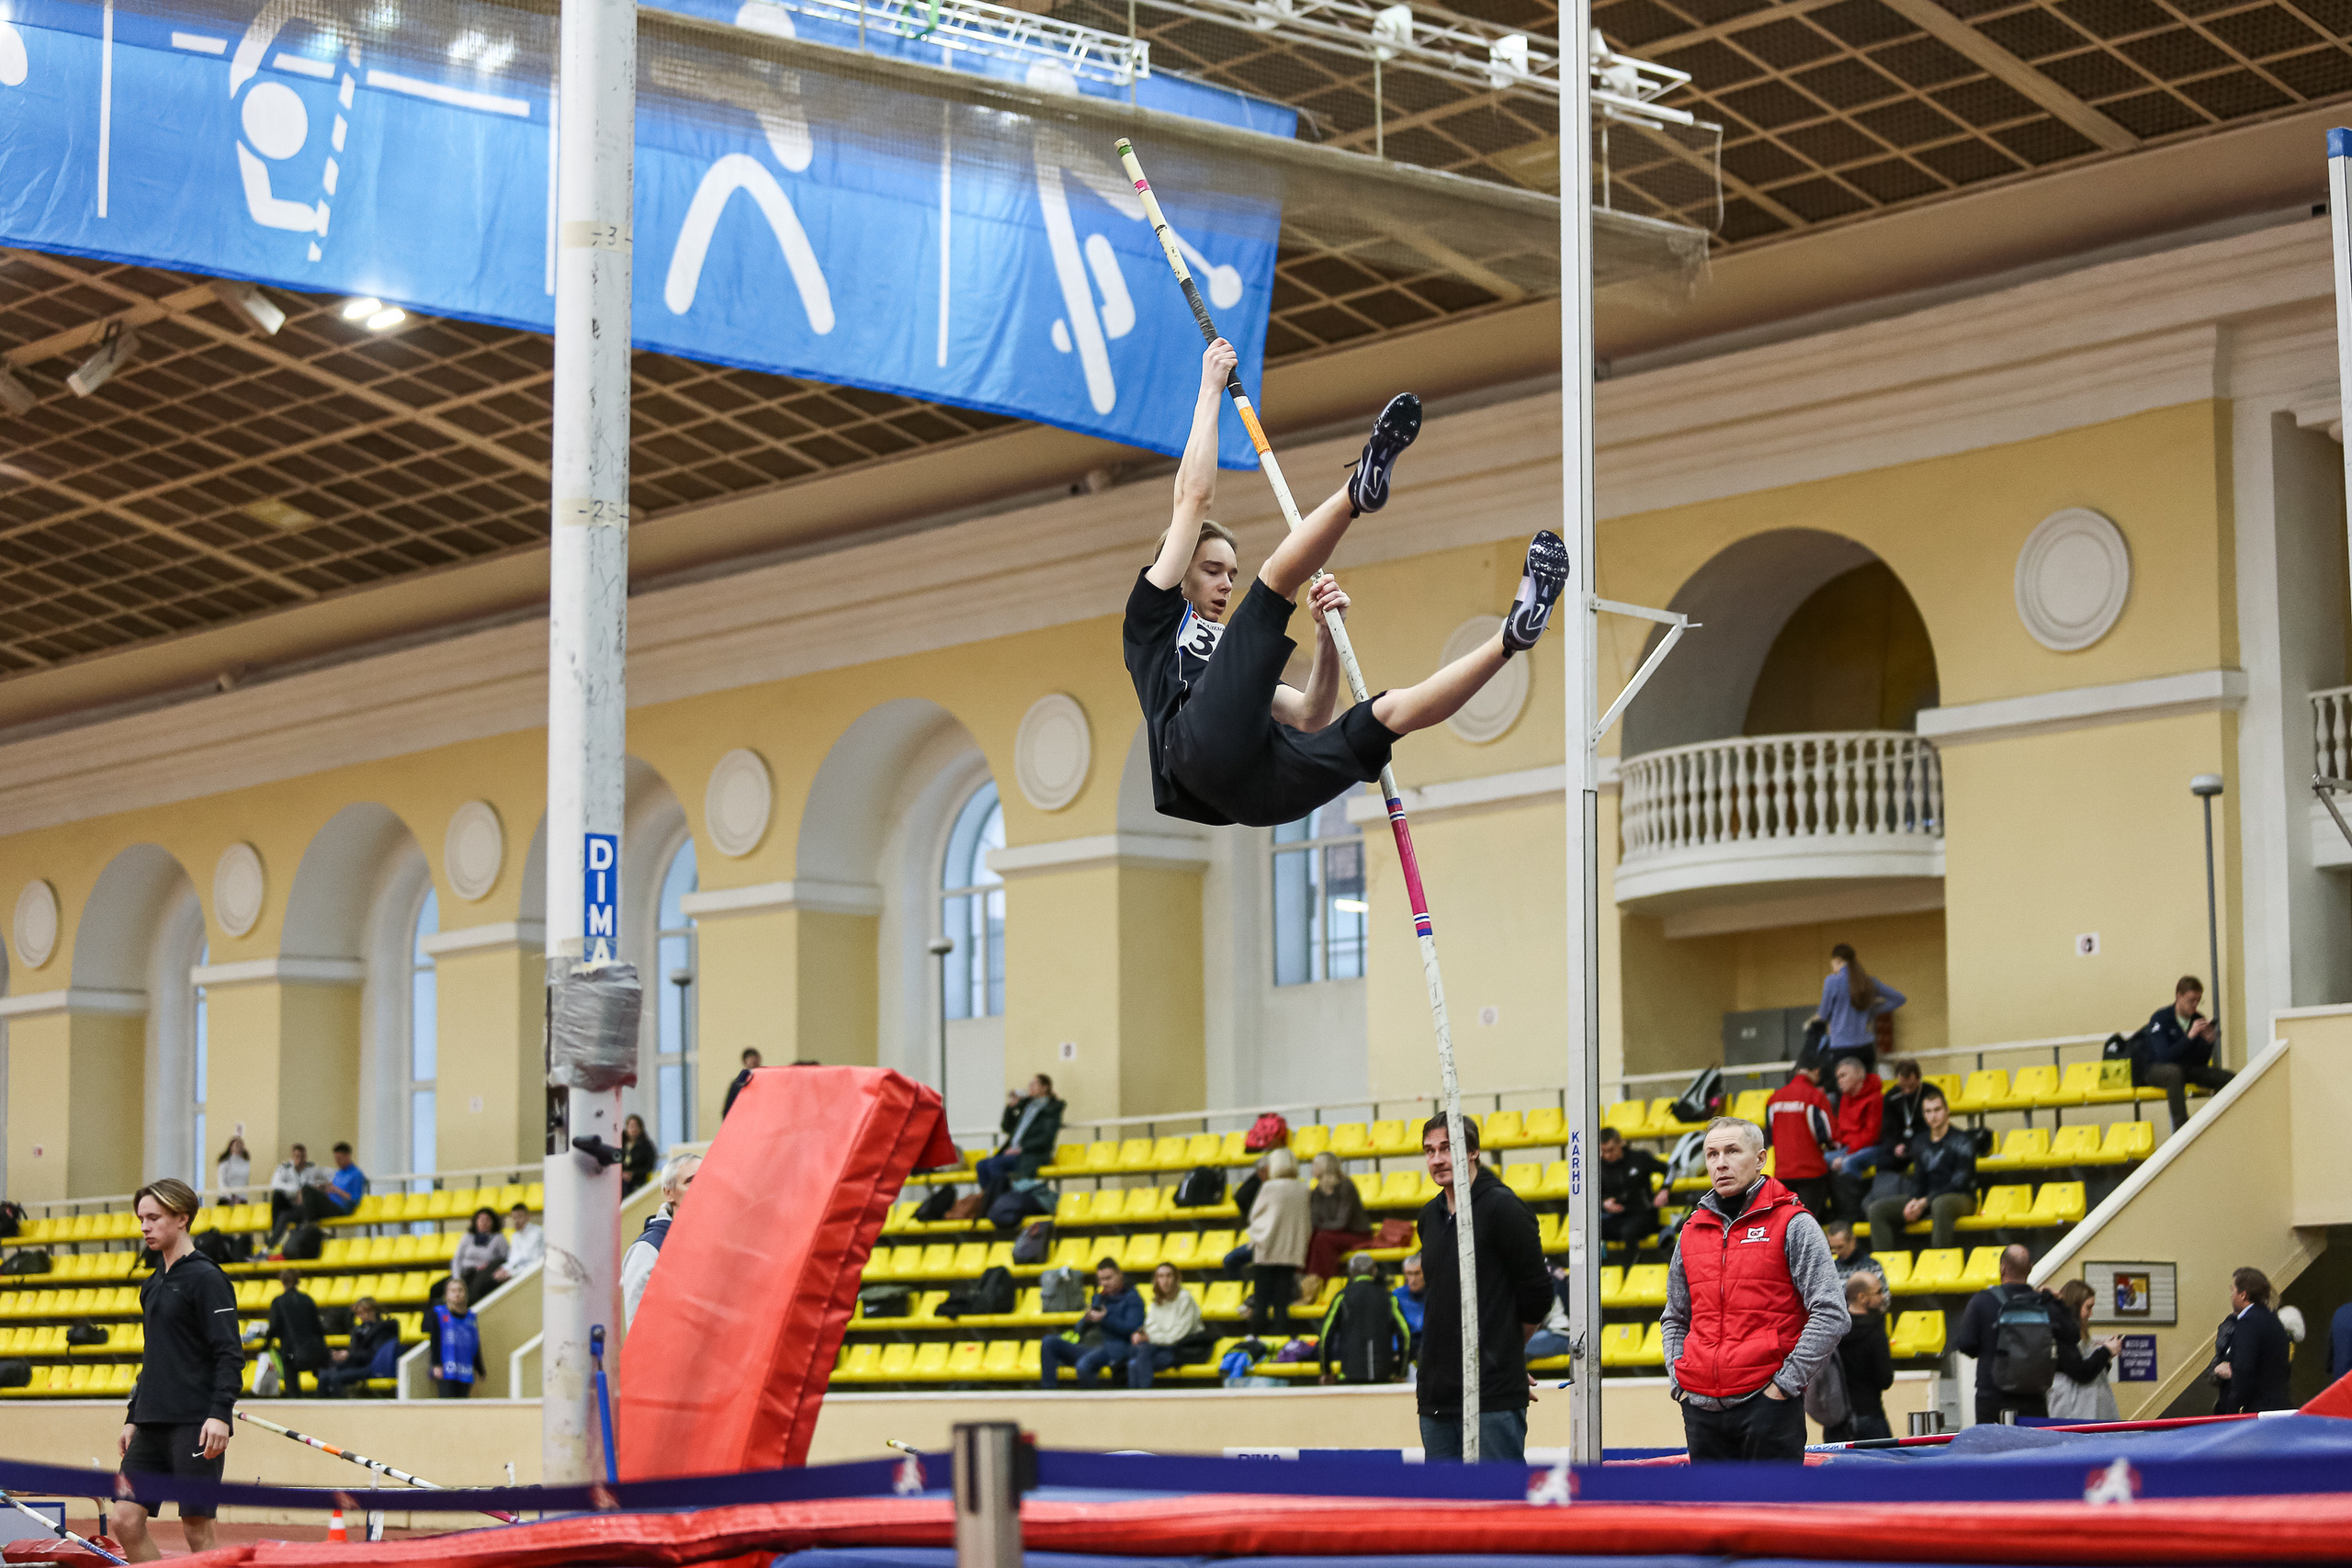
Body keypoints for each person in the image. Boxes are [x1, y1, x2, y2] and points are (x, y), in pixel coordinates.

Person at [1124, 338, 1568, 832]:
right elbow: (1193, 498)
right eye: (1211, 570)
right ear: (1179, 567)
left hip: (1260, 793)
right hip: (1194, 753)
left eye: (1231, 573)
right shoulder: (1153, 619)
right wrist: (1210, 389)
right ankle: (1357, 493)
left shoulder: (1234, 657)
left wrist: (1325, 639)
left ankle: (1513, 635)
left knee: (1386, 713)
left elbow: (1312, 716)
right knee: (1274, 581)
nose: (1226, 584)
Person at [1660, 1118, 1845, 1463]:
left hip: (1768, 1406)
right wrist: (1681, 1382)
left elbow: (1832, 1313)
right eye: (1712, 1154)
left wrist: (1783, 1387)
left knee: (1773, 1516)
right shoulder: (1691, 1231)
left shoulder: (1794, 1223)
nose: (1720, 1163)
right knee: (1713, 1518)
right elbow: (1675, 1317)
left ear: (1760, 1158)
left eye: (1732, 1151)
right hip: (1700, 1408)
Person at [115, 1179, 242, 1562]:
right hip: (151, 1424)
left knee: (197, 1530)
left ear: (182, 1218)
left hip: (195, 1423)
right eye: (141, 1218)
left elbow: (230, 1353)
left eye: (154, 1217)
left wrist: (220, 1414)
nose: (144, 1226)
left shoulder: (207, 1279)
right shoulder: (152, 1284)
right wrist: (133, 1417)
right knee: (124, 1520)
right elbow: (152, 1358)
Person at [1413, 1112, 1551, 1463]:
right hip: (1437, 1395)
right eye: (1430, 1151)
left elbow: (1537, 1296)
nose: (1438, 1159)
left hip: (1492, 1393)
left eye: (1448, 1148)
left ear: (1472, 1151)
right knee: (1443, 1511)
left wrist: (1504, 1352)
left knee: (1497, 1508)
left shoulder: (1503, 1208)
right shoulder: (1429, 1217)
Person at [1951, 1245, 2054, 1425]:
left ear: (2002, 1268)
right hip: (2034, 1395)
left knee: (1992, 1451)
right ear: (2030, 1268)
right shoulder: (2044, 1302)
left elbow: (1965, 1343)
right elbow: (2069, 1336)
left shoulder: (1982, 1300)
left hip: (1992, 1394)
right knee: (2036, 1450)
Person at [1864, 1085, 1974, 1251]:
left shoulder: (1963, 1140)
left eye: (1937, 1110)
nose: (1933, 1116)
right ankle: (1885, 1268)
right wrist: (1914, 1201)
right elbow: (1919, 1180)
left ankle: (1938, 1261)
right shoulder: (1920, 1142)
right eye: (1928, 1112)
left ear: (1947, 1111)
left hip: (1961, 1197)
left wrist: (1925, 1201)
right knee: (1877, 1210)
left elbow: (1960, 1182)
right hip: (1928, 1199)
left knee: (1940, 1204)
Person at [2141, 976, 2233, 1133]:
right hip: (2156, 1068)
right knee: (2174, 1073)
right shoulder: (2161, 1019)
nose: (2195, 1005)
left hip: (2186, 1067)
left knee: (2228, 1078)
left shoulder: (2198, 1019)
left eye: (2198, 1001)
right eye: (2191, 1000)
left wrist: (2207, 1042)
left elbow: (2200, 1062)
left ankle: (2219, 1123)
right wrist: (2189, 1036)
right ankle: (2182, 1129)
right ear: (2179, 996)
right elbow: (2164, 1055)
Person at [623, 1152, 701, 1327]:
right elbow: (639, 1327)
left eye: (706, 1178)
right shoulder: (649, 1248)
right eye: (690, 1181)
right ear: (669, 1193)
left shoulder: (715, 1241)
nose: (701, 1185)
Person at [1039, 1259, 1146, 1387]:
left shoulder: (1133, 1298)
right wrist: (1086, 1319)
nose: (1104, 1283)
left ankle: (1091, 1405)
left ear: (1119, 1275)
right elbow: (1078, 1330)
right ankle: (1049, 1394)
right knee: (1049, 1342)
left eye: (1108, 1278)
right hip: (1088, 1346)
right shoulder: (1099, 1298)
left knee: (1083, 1365)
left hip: (1113, 1348)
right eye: (1101, 1279)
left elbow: (1133, 1328)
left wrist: (1105, 1319)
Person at [1246, 1147, 1310, 1337]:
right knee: (1283, 1300)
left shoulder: (1269, 1187)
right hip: (1291, 1249)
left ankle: (1258, 1337)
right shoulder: (1303, 1188)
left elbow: (1255, 1215)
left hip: (1267, 1247)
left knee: (1262, 1299)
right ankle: (1280, 1337)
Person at [2212, 1266, 2295, 1413]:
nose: (2231, 1296)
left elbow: (2245, 1368)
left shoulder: (2248, 1323)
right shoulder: (2272, 1320)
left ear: (2243, 1295)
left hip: (2257, 1408)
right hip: (2277, 1404)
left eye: (2233, 1291)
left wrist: (2232, 1409)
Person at [1813, 943, 1904, 1075]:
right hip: (1866, 1046)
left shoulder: (1832, 981)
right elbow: (1899, 998)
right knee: (1867, 1088)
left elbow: (1823, 1014)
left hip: (1841, 1048)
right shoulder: (1868, 981)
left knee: (1846, 1090)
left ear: (1837, 960)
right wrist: (1873, 1010)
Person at [1826, 1270, 1894, 1443]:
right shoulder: (1875, 1332)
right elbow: (1885, 1379)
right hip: (1870, 1414)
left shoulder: (1833, 1330)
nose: (1882, 1297)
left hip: (1836, 1419)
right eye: (1878, 1292)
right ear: (1862, 1297)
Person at [1764, 1059, 1834, 1222]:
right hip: (1812, 1171)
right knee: (1808, 1223)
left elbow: (1769, 1135)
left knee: (1788, 1222)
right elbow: (1827, 1135)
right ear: (1816, 1071)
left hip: (1783, 1172)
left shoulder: (1774, 1098)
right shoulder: (1815, 1097)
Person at [977, 1075, 1064, 1199]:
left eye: (1034, 1085)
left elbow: (1045, 1138)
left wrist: (1021, 1148)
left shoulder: (1050, 1109)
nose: (1030, 1088)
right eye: (1030, 1084)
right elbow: (1006, 1127)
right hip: (1014, 1152)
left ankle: (1001, 1200)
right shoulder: (1026, 1105)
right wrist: (1011, 1107)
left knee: (995, 1165)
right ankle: (989, 1198)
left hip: (1031, 1154)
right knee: (981, 1165)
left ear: (1045, 1087)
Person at [2048, 1278, 2122, 1423]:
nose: (2091, 1314)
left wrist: (2105, 1357)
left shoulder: (2078, 1332)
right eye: (2088, 1307)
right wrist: (2105, 1351)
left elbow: (2091, 1369)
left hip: (2088, 1408)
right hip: (2072, 1411)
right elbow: (2081, 1372)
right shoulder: (2061, 1333)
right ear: (2075, 1306)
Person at [1126, 1262, 1206, 1388]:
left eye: (1169, 1276)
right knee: (1134, 1361)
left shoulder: (1185, 1299)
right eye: (1161, 1276)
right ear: (1156, 1280)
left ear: (1176, 1278)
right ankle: (1139, 1401)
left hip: (1183, 1348)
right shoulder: (1156, 1301)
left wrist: (1150, 1338)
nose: (1165, 1280)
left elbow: (1177, 1335)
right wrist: (1147, 1337)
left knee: (1138, 1358)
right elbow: (1151, 1328)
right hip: (1161, 1347)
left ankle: (1140, 1400)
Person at [1825, 1056, 1884, 1222]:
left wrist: (1845, 1155)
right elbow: (1841, 1130)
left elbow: (1872, 1135)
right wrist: (1836, 1147)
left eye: (1843, 1076)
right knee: (1819, 1160)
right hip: (1848, 1148)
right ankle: (1831, 1209)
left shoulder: (1875, 1099)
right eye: (1838, 1077)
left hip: (1872, 1148)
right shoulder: (1845, 1098)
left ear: (1859, 1074)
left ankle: (1853, 1212)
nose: (1839, 1081)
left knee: (1848, 1163)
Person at [1304, 1150, 1372, 1280]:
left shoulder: (1346, 1186)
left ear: (1326, 1167)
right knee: (1312, 1238)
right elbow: (1315, 1220)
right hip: (1332, 1233)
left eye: (1315, 1164)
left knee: (1322, 1239)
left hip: (1356, 1234)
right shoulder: (1317, 1191)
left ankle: (1323, 1281)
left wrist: (1322, 1227)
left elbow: (1342, 1222)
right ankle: (1308, 1279)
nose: (1312, 1168)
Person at [1597, 1128, 1665, 1251]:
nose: (1607, 1155)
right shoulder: (1599, 1167)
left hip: (1643, 1213)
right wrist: (1604, 1204)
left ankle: (1631, 1267)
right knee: (1591, 1231)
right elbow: (1594, 1196)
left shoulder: (1639, 1158)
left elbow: (1669, 1169)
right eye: (1603, 1151)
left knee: (1629, 1231)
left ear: (1620, 1143)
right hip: (1616, 1216)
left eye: (1611, 1150)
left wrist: (1664, 1190)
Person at [321, 1296, 401, 1398]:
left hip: (372, 1366)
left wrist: (349, 1355)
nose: (362, 1316)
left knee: (336, 1378)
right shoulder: (359, 1330)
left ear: (373, 1311)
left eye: (364, 1312)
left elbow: (375, 1355)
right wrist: (342, 1355)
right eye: (359, 1313)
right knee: (324, 1375)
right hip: (356, 1363)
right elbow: (354, 1349)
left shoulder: (383, 1330)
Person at [261, 1268, 328, 1385]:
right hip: (312, 1347)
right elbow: (318, 1326)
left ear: (282, 1281)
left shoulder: (278, 1301)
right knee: (321, 1380)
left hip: (290, 1348)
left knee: (291, 1382)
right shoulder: (307, 1299)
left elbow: (274, 1327)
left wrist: (265, 1345)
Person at [429, 1277, 485, 1398]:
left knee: (463, 1405)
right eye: (453, 1291)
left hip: (465, 1369)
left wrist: (480, 1369)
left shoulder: (471, 1317)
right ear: (447, 1295)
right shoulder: (440, 1314)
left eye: (460, 1290)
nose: (457, 1294)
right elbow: (435, 1340)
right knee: (447, 1405)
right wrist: (436, 1364)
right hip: (447, 1369)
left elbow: (475, 1344)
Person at [300, 1142, 367, 1224]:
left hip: (342, 1209)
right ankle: (308, 1225)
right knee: (297, 1206)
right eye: (336, 1159)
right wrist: (324, 1189)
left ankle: (309, 1225)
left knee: (307, 1190)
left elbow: (355, 1199)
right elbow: (332, 1189)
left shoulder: (356, 1174)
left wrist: (337, 1190)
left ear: (348, 1156)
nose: (337, 1162)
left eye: (340, 1158)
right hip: (331, 1205)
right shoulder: (339, 1173)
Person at [1880, 1058, 1929, 1169]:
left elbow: (1930, 1126)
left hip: (1922, 1142)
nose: (1907, 1091)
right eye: (1902, 1086)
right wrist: (1895, 1145)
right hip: (1899, 1144)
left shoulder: (1930, 1093)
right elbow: (1888, 1127)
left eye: (1911, 1086)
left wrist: (1909, 1145)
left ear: (1919, 1078)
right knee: (1884, 1162)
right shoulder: (1891, 1097)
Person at [451, 1207, 508, 1303]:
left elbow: (505, 1258)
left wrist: (490, 1266)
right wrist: (456, 1279)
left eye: (487, 1220)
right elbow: (457, 1258)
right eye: (481, 1220)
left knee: (472, 1292)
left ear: (493, 1222)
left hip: (484, 1274)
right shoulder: (467, 1237)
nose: (484, 1223)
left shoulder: (499, 1238)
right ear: (475, 1222)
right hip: (466, 1272)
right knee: (437, 1289)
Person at [1821, 1220, 1886, 1294]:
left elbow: (1884, 1299)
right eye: (1833, 1248)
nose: (1837, 1252)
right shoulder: (1831, 1269)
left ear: (1853, 1240)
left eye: (1840, 1247)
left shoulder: (1872, 1266)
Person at [266, 1143, 314, 1238]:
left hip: (304, 1204)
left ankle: (299, 1236)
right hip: (289, 1202)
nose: (299, 1160)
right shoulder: (284, 1167)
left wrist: (302, 1193)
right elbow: (275, 1184)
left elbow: (314, 1185)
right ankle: (274, 1236)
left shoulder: (311, 1168)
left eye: (302, 1157)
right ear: (292, 1157)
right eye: (297, 1156)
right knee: (277, 1196)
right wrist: (295, 1190)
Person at [496, 1201, 544, 1281]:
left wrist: (512, 1273)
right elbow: (513, 1259)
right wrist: (503, 1269)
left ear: (527, 1217)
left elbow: (535, 1262)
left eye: (520, 1217)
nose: (517, 1221)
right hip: (518, 1271)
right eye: (514, 1218)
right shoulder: (515, 1236)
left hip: (533, 1272)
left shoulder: (537, 1233)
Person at [1394, 1252, 1427, 1358]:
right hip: (1407, 1350)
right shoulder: (1397, 1296)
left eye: (1417, 1273)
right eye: (1409, 1273)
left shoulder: (1436, 1295)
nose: (1412, 1280)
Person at [619, 1113, 657, 1197]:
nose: (633, 1129)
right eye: (630, 1126)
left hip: (638, 1182)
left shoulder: (646, 1145)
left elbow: (649, 1166)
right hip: (622, 1181)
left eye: (635, 1126)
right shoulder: (622, 1144)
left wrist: (633, 1174)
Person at [722, 1048, 763, 1119]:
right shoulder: (738, 1084)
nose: (755, 1067)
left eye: (756, 1064)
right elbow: (728, 1108)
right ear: (745, 1062)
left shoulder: (763, 1081)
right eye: (752, 1063)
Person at [215, 1134, 251, 1198]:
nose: (238, 1148)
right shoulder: (225, 1163)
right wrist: (231, 1196)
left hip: (242, 1197)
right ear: (230, 1147)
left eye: (240, 1145)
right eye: (236, 1145)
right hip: (226, 1198)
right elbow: (221, 1182)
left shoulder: (246, 1162)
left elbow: (245, 1182)